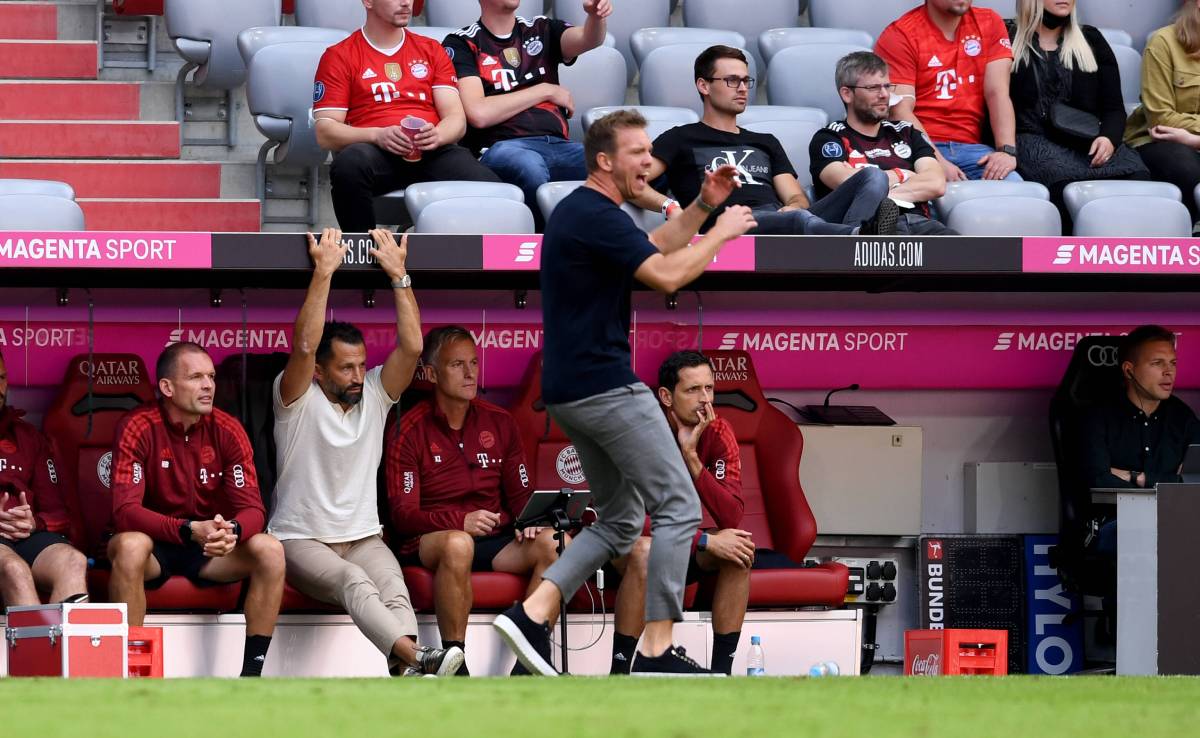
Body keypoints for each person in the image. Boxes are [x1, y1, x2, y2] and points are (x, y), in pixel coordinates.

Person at [492, 109, 756, 677]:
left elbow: (655, 245)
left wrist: (703, 205)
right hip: (606, 386)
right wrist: (721, 235)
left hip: (570, 392)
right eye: (638, 153)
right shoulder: (594, 212)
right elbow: (666, 275)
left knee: (617, 520)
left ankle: (532, 613)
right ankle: (657, 650)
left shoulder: (588, 213)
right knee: (679, 506)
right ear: (605, 161)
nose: (648, 163)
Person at [269, 227, 463, 677]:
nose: (358, 376)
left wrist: (399, 276)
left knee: (395, 588)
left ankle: (409, 672)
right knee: (354, 580)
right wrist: (324, 272)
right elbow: (304, 345)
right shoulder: (296, 397)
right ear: (319, 373)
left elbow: (412, 347)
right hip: (301, 540)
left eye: (361, 365)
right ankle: (421, 658)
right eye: (346, 368)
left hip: (362, 538)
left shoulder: (374, 394)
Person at [386, 325, 557, 676]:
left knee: (555, 543)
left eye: (474, 363)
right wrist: (459, 521)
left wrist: (530, 521)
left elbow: (521, 495)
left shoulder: (500, 422)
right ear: (432, 373)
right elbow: (403, 515)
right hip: (432, 540)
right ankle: (456, 662)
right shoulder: (409, 428)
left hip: (494, 539)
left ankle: (528, 662)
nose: (469, 373)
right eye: (457, 365)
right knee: (458, 543)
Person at [107, 342, 284, 677]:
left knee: (270, 550)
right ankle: (131, 673)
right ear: (167, 387)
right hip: (155, 548)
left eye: (211, 377)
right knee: (130, 545)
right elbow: (125, 511)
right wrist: (186, 530)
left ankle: (252, 676)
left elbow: (253, 509)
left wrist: (232, 531)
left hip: (208, 548)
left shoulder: (228, 429)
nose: (208, 385)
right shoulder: (138, 425)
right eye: (196, 377)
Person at [633, 45, 900, 236]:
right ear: (704, 86)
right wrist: (668, 205)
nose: (742, 89)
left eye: (746, 81)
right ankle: (855, 238)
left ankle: (854, 239)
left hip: (781, 221)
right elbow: (631, 182)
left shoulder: (765, 141)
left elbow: (796, 197)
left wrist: (792, 206)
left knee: (873, 177)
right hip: (727, 226)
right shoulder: (680, 138)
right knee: (799, 219)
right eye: (732, 81)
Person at [609, 352, 752, 676]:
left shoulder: (718, 430)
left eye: (709, 388)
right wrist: (703, 541)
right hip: (623, 548)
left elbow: (731, 516)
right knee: (645, 550)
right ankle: (619, 671)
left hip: (677, 545)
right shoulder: (639, 434)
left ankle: (722, 675)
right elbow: (628, 519)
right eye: (692, 390)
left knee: (739, 549)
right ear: (666, 396)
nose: (705, 399)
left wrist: (692, 457)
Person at [314, 0, 501, 232]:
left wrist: (438, 135)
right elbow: (325, 132)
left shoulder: (431, 49)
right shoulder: (340, 55)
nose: (406, 3)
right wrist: (377, 135)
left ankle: (475, 255)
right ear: (368, 2)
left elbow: (456, 119)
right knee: (349, 165)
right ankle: (361, 249)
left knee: (494, 190)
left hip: (432, 151)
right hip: (375, 152)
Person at [445, 0, 611, 229]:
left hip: (559, 145)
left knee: (617, 165)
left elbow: (588, 39)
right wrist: (545, 90)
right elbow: (478, 113)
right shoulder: (462, 42)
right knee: (529, 167)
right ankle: (542, 241)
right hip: (502, 147)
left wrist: (595, 17)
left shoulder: (542, 28)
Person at [1082, 325, 1199, 626]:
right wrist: (1168, 480)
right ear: (1129, 370)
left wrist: (1138, 477)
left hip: (1174, 521)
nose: (1169, 372)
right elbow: (1097, 479)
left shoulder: (1183, 418)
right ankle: (1137, 632)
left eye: (1173, 363)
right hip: (1112, 524)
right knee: (1148, 535)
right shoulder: (1098, 416)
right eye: (1157, 363)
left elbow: (1194, 481)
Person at [1007, 0, 1149, 229]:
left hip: (1086, 139)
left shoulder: (1091, 39)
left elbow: (1113, 108)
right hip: (1032, 138)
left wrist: (1109, 139)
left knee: (1138, 175)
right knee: (1063, 184)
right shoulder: (1007, 37)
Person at [810, 51, 957, 235]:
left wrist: (881, 196)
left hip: (919, 225)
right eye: (873, 88)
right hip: (868, 228)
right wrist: (904, 174)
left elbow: (936, 183)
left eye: (887, 86)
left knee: (966, 250)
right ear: (847, 94)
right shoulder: (829, 138)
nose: (885, 94)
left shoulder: (907, 132)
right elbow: (845, 181)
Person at [876, 0, 1022, 182]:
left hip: (974, 151)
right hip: (918, 149)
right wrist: (935, 161)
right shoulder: (900, 34)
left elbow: (997, 92)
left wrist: (1006, 151)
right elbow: (899, 111)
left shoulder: (989, 22)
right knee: (932, 192)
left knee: (1015, 187)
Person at [0, 349, 88, 607]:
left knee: (74, 562)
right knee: (15, 570)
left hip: (26, 536)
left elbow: (58, 513)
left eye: (1, 378)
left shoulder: (27, 437)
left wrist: (33, 523)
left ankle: (60, 636)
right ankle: (36, 636)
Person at [1125, 1, 1200, 230]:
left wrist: (1194, 139)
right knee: (1182, 164)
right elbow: (1161, 119)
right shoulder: (1163, 42)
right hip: (1158, 141)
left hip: (1190, 138)